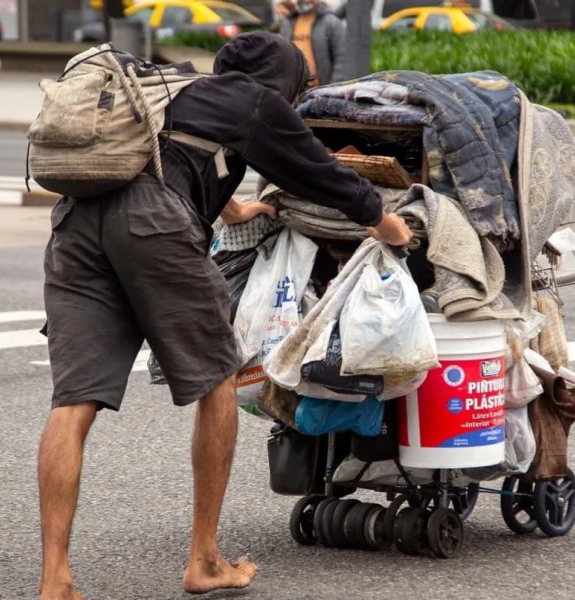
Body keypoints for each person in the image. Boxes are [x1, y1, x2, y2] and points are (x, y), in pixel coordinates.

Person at [37, 31, 412, 600]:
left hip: (77, 226)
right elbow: (325, 176)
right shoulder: (258, 101)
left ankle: (55, 579)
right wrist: (387, 225)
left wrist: (237, 207)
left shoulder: (182, 90)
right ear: (284, 80)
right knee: (218, 381)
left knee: (73, 403)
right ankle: (205, 560)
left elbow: (173, 157)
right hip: (153, 226)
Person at [279, 0, 347, 86]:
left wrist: (333, 87)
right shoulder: (288, 23)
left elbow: (342, 57)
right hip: (295, 92)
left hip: (321, 92)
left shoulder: (332, 22)